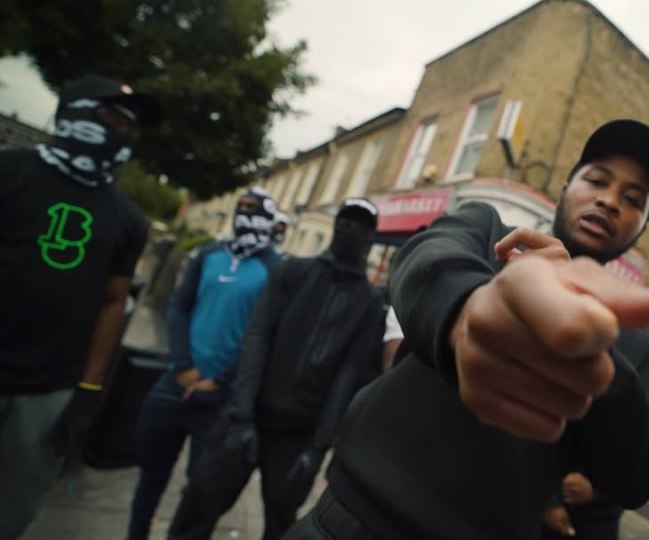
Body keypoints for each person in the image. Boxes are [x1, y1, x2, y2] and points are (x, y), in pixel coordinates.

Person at [286, 119, 649, 539]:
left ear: (641, 226)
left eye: (632, 199)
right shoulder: (485, 233)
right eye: (597, 180)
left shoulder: (633, 344)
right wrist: (465, 313)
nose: (609, 201)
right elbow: (424, 258)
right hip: (347, 521)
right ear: (567, 186)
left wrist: (592, 343)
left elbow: (643, 472)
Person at [0, 75, 162, 540]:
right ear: (75, 112)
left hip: (48, 390)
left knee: (13, 508)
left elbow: (113, 301)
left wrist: (89, 388)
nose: (124, 134)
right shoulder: (10, 173)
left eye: (134, 130)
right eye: (113, 119)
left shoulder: (128, 220)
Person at [167, 198, 386, 540]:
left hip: (297, 435)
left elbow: (349, 375)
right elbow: (258, 337)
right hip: (248, 415)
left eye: (360, 228)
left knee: (282, 525)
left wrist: (318, 447)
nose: (350, 233)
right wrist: (241, 413)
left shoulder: (370, 302)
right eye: (345, 223)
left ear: (371, 236)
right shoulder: (294, 271)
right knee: (198, 505)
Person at [126, 189, 281, 539]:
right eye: (241, 207)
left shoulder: (274, 269)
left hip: (220, 399)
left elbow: (263, 335)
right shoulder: (209, 254)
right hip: (176, 383)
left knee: (202, 490)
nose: (245, 214)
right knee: (151, 475)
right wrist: (182, 365)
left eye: (254, 209)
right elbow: (180, 307)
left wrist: (220, 380)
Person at [542, 327, 649, 539]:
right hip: (526, 511)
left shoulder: (638, 347)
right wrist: (549, 501)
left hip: (596, 522)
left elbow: (646, 463)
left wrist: (596, 492)